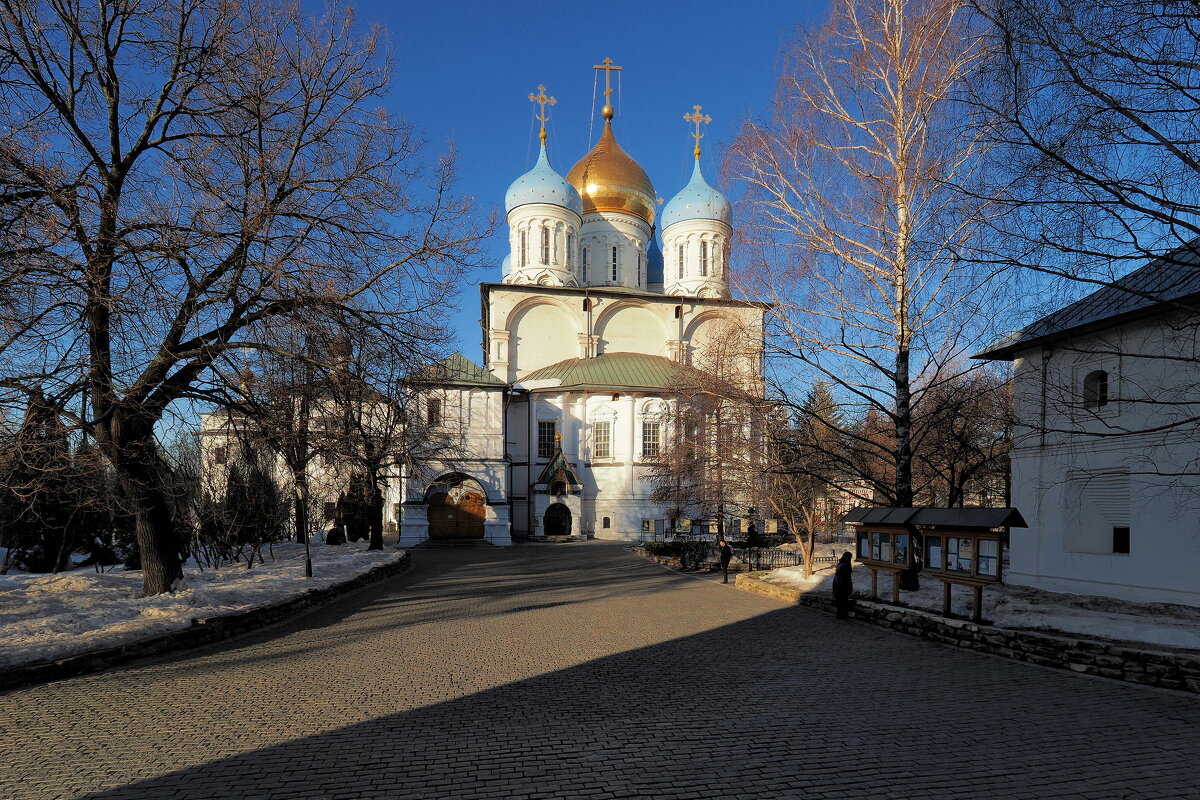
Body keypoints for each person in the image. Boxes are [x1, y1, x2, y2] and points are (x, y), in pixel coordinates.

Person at [832, 551, 854, 619]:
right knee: (843, 600)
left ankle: (839, 614)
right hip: (843, 583)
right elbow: (847, 577)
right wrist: (850, 587)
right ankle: (842, 615)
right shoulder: (847, 564)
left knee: (839, 600)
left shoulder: (840, 563)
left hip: (837, 582)